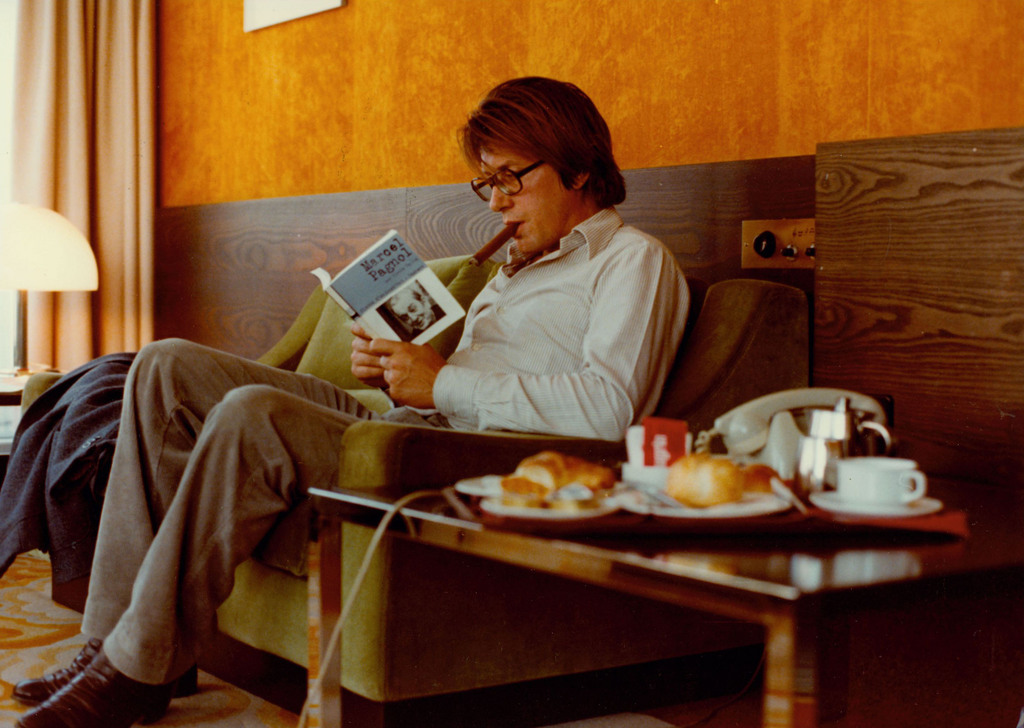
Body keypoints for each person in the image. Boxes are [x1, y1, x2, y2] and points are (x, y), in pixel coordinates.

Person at [13, 76, 690, 728]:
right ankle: (109, 647)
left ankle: (132, 671)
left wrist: (440, 384)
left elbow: (609, 409)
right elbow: (463, 383)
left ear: (578, 168)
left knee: (253, 413)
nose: (495, 203)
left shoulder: (633, 261)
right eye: (486, 183)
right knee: (164, 365)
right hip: (407, 426)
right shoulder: (513, 270)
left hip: (470, 461)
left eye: (510, 178)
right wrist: (397, 374)